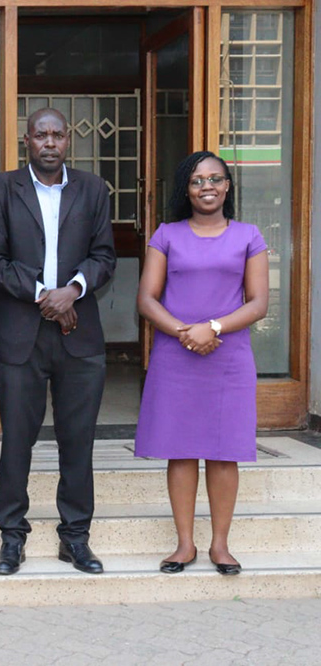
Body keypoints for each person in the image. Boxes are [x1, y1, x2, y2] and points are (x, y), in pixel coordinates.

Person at [0, 107, 116, 576]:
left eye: (58, 134)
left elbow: (105, 256)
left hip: (80, 337)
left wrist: (73, 290)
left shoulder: (94, 190)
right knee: (17, 442)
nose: (51, 142)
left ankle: (75, 538)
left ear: (67, 141)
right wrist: (44, 295)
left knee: (78, 443)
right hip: (21, 336)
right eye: (41, 135)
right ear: (27, 141)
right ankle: (11, 539)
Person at [135, 151, 269, 576]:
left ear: (228, 186)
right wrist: (184, 332)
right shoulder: (167, 234)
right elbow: (146, 299)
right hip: (176, 355)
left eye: (215, 179)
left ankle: (221, 546)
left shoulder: (249, 235)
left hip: (227, 357)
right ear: (186, 190)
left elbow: (260, 303)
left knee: (224, 451)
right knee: (181, 450)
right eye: (197, 181)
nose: (207, 187)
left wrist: (211, 327)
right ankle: (184, 545)